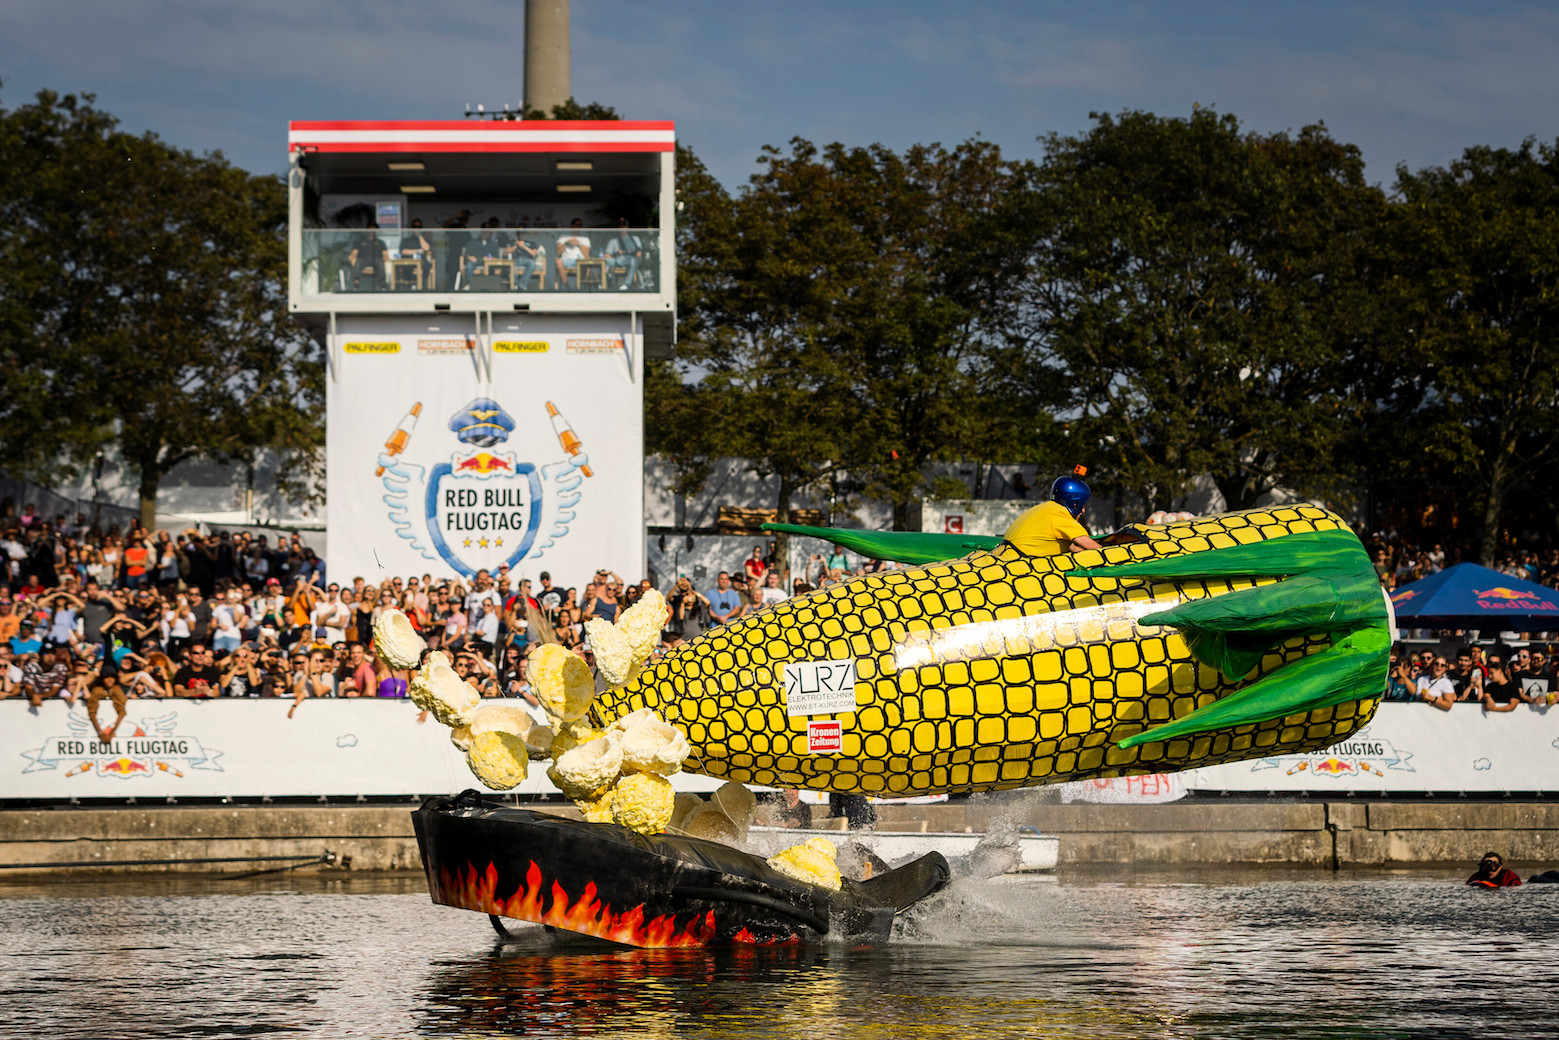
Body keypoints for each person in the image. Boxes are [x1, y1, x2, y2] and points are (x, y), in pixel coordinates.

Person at [1004, 467, 1103, 556]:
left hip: (1004, 555)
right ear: (1075, 503)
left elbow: (1073, 548)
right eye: (1083, 505)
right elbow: (1093, 547)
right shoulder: (1062, 517)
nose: (1083, 510)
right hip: (1017, 564)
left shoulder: (1046, 509)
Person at [603, 217, 643, 289]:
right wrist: (617, 256)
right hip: (616, 262)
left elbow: (639, 254)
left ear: (627, 225)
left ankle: (626, 284)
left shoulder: (635, 238)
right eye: (619, 224)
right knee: (605, 261)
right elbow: (606, 256)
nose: (622, 226)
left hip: (631, 262)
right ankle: (603, 284)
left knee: (633, 260)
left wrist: (625, 254)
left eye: (624, 223)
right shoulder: (613, 241)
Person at [553, 218, 591, 287]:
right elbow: (558, 252)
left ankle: (577, 287)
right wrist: (567, 243)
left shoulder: (585, 239)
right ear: (572, 226)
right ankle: (567, 286)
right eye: (576, 225)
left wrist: (579, 244)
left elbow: (586, 254)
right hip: (566, 260)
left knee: (586, 264)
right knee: (558, 262)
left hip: (580, 261)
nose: (578, 227)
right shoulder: (564, 237)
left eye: (580, 225)